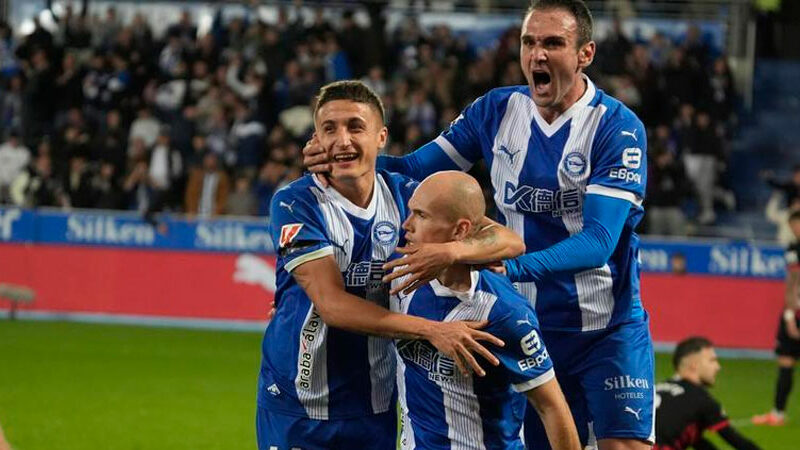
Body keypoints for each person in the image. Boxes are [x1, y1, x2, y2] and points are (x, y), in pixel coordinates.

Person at [304, 1, 654, 448]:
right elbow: (412, 170)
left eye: (553, 43)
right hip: (522, 323)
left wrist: (510, 265)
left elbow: (600, 240)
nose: (537, 55)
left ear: (585, 53)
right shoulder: (496, 111)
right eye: (530, 43)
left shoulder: (617, 128)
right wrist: (345, 155)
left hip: (605, 328)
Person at [258, 80, 526, 449]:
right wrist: (432, 330)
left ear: (381, 137)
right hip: (298, 405)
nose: (342, 140)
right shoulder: (295, 202)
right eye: (329, 129)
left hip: (377, 405)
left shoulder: (405, 196)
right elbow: (332, 305)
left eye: (355, 127)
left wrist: (450, 252)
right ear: (315, 140)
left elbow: (510, 241)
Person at [392, 170, 581, 449]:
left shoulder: (504, 311)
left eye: (421, 215)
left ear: (460, 231)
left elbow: (551, 407)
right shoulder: (400, 277)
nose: (406, 224)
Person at [655, 337, 760, 450]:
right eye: (712, 360)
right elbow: (734, 439)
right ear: (694, 365)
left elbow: (697, 441)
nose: (718, 367)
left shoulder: (657, 389)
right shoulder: (700, 399)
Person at [752, 210, 800, 426]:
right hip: (795, 312)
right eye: (793, 225)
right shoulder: (792, 249)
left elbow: (792, 283)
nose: (795, 229)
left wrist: (790, 317)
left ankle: (778, 414)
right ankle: (778, 414)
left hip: (795, 313)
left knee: (787, 362)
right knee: (786, 363)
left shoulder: (794, 251)